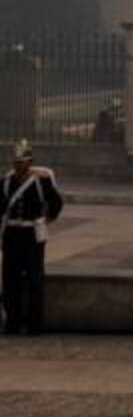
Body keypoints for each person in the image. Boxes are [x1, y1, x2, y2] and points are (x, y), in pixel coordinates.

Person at [1, 139, 63, 335]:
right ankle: (13, 321)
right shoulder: (6, 181)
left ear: (30, 162)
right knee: (10, 280)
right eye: (16, 163)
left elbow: (56, 202)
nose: (18, 166)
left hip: (32, 236)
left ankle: (35, 324)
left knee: (35, 279)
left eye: (22, 162)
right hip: (12, 235)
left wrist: (47, 219)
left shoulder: (41, 181)